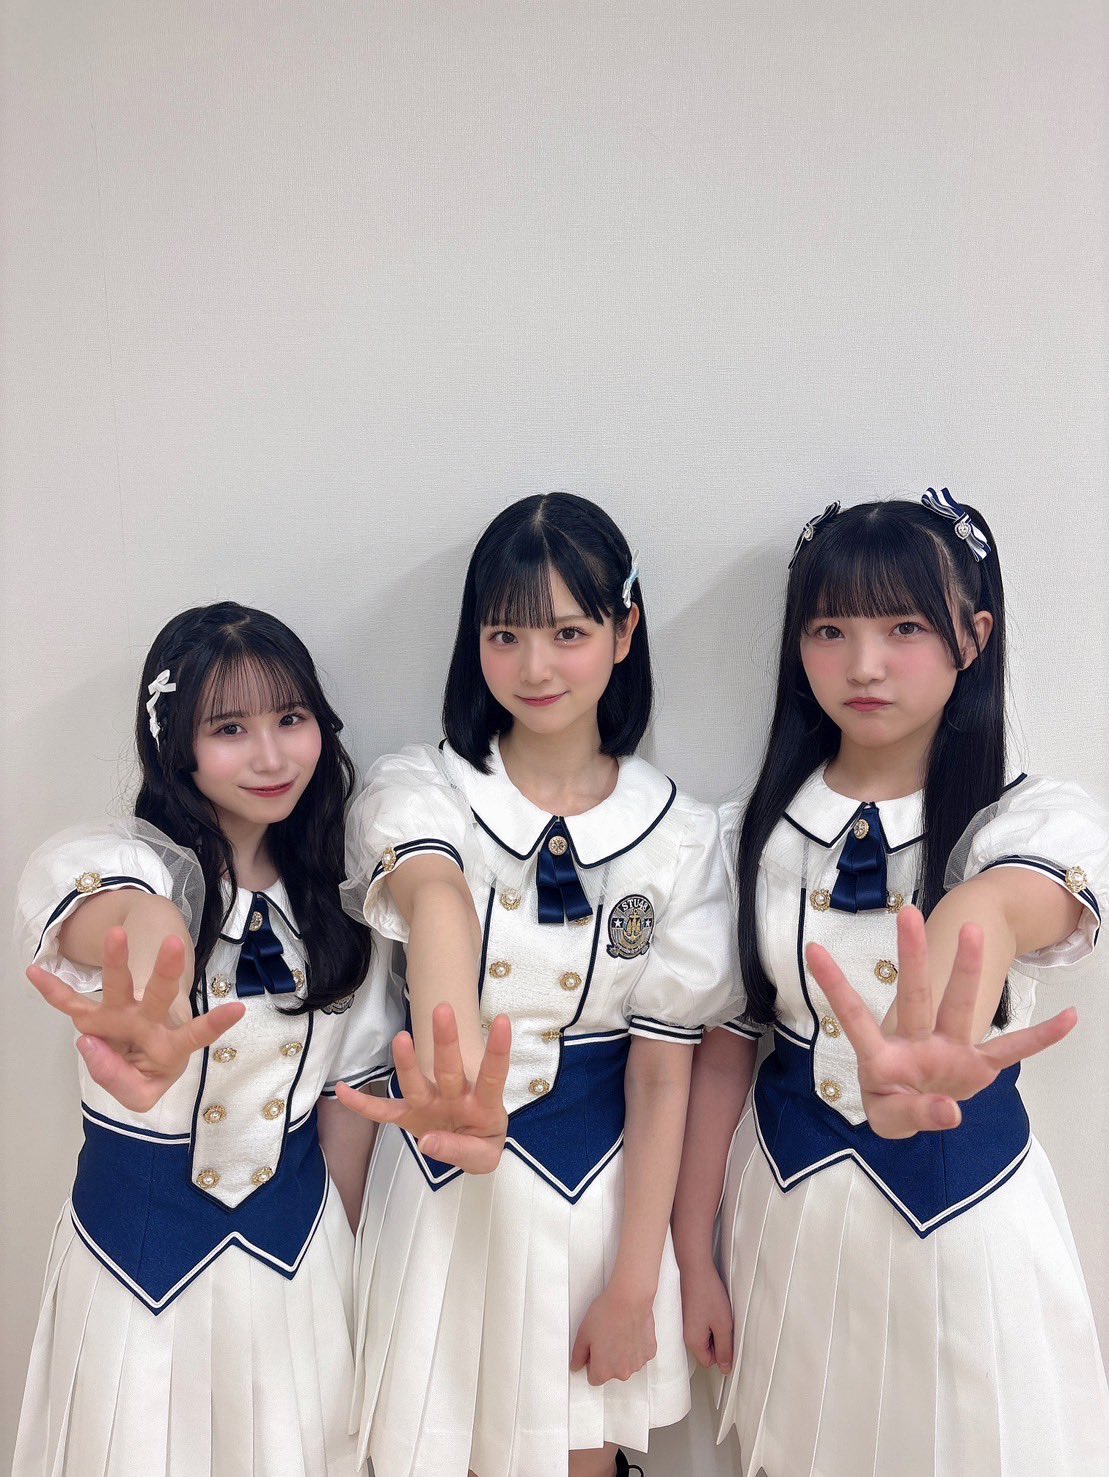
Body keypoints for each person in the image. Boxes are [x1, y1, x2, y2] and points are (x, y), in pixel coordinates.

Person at [670, 492, 1109, 1477]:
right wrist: (693, 1254)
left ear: (972, 635)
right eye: (830, 629)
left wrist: (958, 958)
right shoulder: (744, 833)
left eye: (903, 627)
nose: (862, 664)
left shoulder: (1021, 818)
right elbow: (725, 1050)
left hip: (962, 1210)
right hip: (786, 1206)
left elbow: (1013, 901)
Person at [338, 493, 734, 1477]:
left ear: (624, 631)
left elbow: (662, 1073)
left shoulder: (683, 837)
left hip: (597, 1204)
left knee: (577, 1454)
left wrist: (634, 1284)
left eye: (567, 632)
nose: (534, 667)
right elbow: (433, 895)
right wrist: (457, 1075)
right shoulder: (420, 788)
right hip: (441, 1186)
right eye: (504, 634)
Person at [14, 601, 390, 1477]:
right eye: (229, 729)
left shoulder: (339, 904)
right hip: (132, 1267)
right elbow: (117, 912)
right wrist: (157, 974)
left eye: (290, 718)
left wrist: (345, 1285)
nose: (270, 755)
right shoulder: (128, 863)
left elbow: (346, 1109)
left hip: (297, 1263)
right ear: (173, 743)